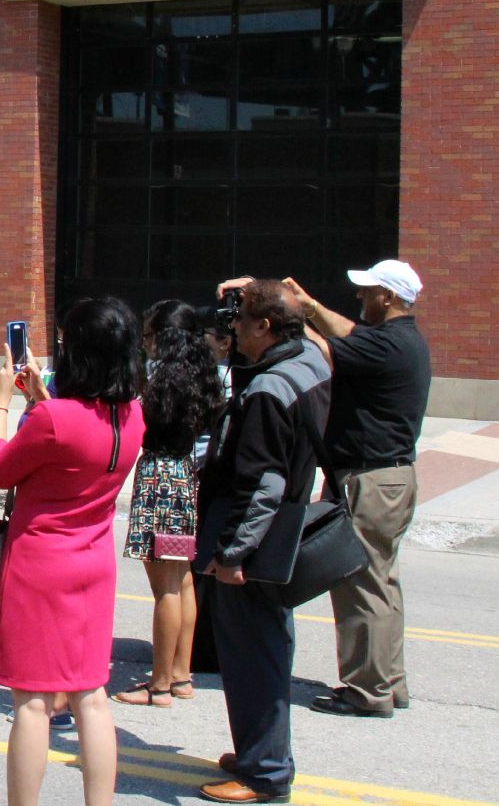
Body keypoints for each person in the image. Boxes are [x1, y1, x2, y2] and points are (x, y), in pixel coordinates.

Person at [0, 297, 145, 806]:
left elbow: (0, 469)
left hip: (42, 564)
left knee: (32, 702)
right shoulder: (133, 414)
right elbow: (74, 437)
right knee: (90, 696)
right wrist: (40, 397)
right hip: (93, 561)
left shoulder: (56, 419)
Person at [197, 279, 330, 804]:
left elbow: (262, 485)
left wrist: (232, 555)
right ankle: (259, 750)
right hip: (283, 535)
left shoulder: (268, 391)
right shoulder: (312, 362)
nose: (233, 327)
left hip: (257, 544)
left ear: (265, 327)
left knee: (254, 657)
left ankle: (265, 774)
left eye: (242, 318)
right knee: (269, 648)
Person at [282, 260, 432, 718]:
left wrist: (292, 312)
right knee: (381, 583)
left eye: (368, 291)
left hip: (371, 480)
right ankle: (388, 683)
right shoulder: (400, 340)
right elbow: (345, 335)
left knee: (359, 584)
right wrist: (309, 308)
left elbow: (332, 345)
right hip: (387, 478)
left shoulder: (387, 346)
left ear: (388, 297)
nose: (360, 297)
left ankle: (366, 691)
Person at [113, 300, 223, 708]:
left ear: (163, 336)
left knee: (165, 590)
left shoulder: (161, 379)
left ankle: (159, 684)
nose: (146, 343)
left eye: (148, 336)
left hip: (159, 479)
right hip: (183, 477)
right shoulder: (203, 373)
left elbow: (138, 427)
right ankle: (180, 675)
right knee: (184, 580)